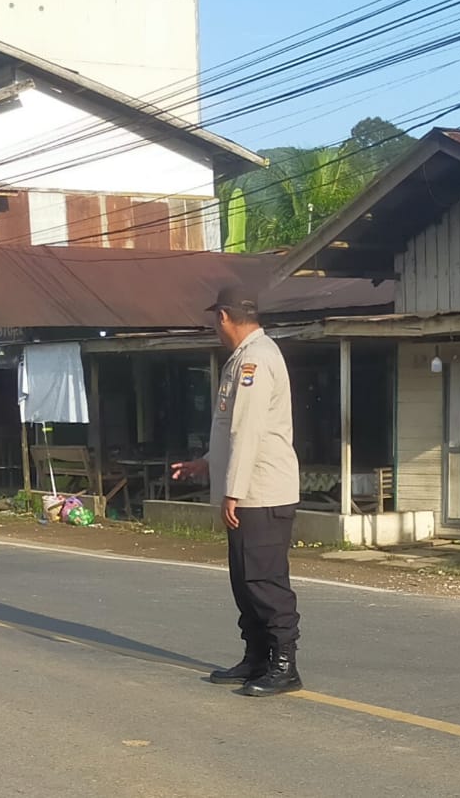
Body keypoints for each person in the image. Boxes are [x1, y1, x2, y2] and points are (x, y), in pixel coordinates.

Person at [172, 284, 302, 697]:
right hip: (248, 490)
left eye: (215, 318)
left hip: (260, 492)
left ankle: (284, 665)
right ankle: (257, 657)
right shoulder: (243, 359)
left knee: (265, 580)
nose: (215, 325)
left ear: (224, 316)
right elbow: (231, 430)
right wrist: (208, 462)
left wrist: (233, 490)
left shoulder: (257, 361)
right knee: (244, 580)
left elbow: (248, 432)